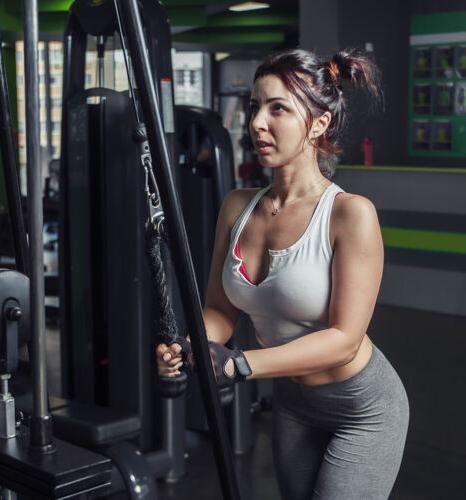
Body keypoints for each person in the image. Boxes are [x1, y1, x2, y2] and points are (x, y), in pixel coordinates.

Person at [156, 48, 409, 499]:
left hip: (362, 409)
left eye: (278, 109)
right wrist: (192, 346)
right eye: (255, 107)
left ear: (318, 124)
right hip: (293, 404)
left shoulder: (350, 215)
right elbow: (219, 308)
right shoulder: (238, 206)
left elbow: (344, 339)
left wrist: (240, 363)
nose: (256, 122)